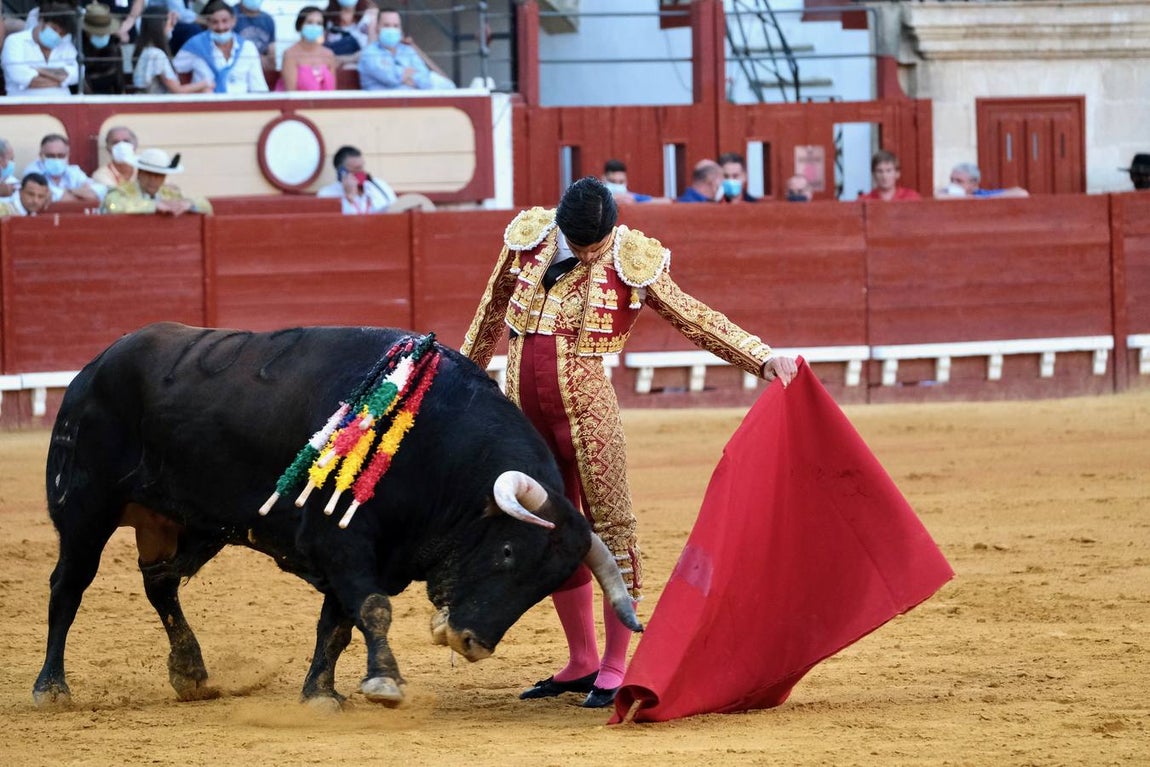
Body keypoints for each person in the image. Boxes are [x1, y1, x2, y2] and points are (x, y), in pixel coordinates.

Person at [461, 177, 798, 708]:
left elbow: (692, 316)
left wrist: (760, 356)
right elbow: (488, 316)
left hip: (589, 415)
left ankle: (616, 665)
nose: (587, 253)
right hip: (524, 417)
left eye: (594, 245)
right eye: (579, 244)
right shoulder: (529, 238)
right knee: (549, 530)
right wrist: (462, 381)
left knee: (613, 529)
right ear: (561, 225)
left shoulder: (631, 257)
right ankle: (582, 660)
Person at [173, 0, 268, 94]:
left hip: (239, 102)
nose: (220, 27)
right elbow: (171, 72)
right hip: (205, 102)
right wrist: (196, 88)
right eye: (215, 22)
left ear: (233, 21)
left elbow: (259, 88)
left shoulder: (247, 48)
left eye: (225, 21)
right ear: (208, 23)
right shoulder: (195, 45)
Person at [316, 145, 433, 214]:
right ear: (342, 172)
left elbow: (395, 211)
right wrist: (349, 197)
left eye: (362, 167)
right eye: (356, 169)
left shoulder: (379, 186)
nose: (362, 173)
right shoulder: (327, 194)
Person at [359, 7, 453, 91]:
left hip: (413, 102)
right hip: (382, 104)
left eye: (396, 26)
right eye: (386, 25)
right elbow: (390, 78)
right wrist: (407, 74)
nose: (391, 30)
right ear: (377, 28)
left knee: (445, 84)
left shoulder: (407, 50)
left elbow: (425, 80)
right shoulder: (369, 53)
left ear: (400, 29)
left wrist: (403, 76)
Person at [0, 1, 79, 98]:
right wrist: (61, 79)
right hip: (25, 105)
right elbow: (20, 76)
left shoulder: (65, 45)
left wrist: (39, 70)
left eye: (62, 34)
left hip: (63, 103)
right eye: (54, 29)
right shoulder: (15, 41)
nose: (57, 35)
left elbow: (77, 74)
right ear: (41, 20)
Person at [102, 148, 212, 216]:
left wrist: (189, 204)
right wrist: (154, 205)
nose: (153, 180)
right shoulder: (121, 191)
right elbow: (113, 205)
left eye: (159, 176)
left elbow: (206, 206)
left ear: (164, 178)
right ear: (139, 174)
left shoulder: (169, 193)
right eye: (149, 174)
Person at [133, 4, 213, 94]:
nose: (172, 28)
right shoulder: (156, 54)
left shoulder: (146, 50)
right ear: (160, 26)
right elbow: (177, 90)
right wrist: (205, 83)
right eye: (170, 23)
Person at [23, 134, 105, 204]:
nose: (56, 159)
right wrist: (80, 194)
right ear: (41, 155)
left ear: (68, 155)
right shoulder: (32, 171)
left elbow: (99, 192)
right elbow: (47, 195)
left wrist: (69, 191)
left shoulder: (73, 171)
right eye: (50, 156)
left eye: (61, 155)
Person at [277, 6, 336, 91]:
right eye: (309, 22)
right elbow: (291, 92)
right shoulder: (290, 54)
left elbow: (333, 91)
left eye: (319, 23)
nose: (314, 26)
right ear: (300, 25)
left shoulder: (329, 55)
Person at [80, 3, 126, 94]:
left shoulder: (114, 47)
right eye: (97, 33)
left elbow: (119, 82)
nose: (101, 35)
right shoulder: (78, 48)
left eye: (104, 32)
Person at [322, 0, 376, 67]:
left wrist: (345, 59)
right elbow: (319, 49)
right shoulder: (327, 17)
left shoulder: (370, 17)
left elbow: (371, 52)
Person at [940, 163, 1028, 198]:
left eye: (959, 181)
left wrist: (977, 199)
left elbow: (1022, 193)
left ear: (974, 184)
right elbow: (938, 196)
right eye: (952, 180)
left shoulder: (981, 194)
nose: (953, 183)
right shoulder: (946, 192)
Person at [601, 159, 668, 205]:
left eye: (621, 182)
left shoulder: (631, 197)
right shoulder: (597, 197)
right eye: (613, 181)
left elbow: (666, 201)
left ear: (626, 181)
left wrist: (635, 202)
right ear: (603, 179)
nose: (617, 185)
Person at [232, 0, 275, 70]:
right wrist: (255, 59)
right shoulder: (230, 16)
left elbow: (272, 52)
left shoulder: (267, 19)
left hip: (261, 69)